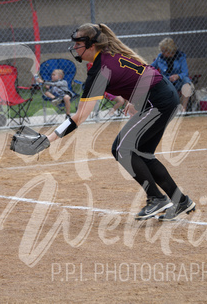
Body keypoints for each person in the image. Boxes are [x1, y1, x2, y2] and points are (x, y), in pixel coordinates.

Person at [47, 23, 196, 221]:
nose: (75, 48)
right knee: (142, 153)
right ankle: (180, 201)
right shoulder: (107, 57)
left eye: (79, 44)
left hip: (158, 101)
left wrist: (47, 139)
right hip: (163, 95)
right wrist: (134, 100)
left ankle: (156, 198)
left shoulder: (101, 69)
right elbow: (138, 75)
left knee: (121, 148)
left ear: (92, 46)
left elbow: (79, 117)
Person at [150, 37, 194, 112]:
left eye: (164, 51)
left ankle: (183, 109)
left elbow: (185, 73)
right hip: (166, 82)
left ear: (170, 51)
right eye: (162, 50)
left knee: (187, 81)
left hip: (178, 82)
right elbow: (151, 68)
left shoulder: (180, 57)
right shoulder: (160, 57)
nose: (162, 52)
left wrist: (177, 76)